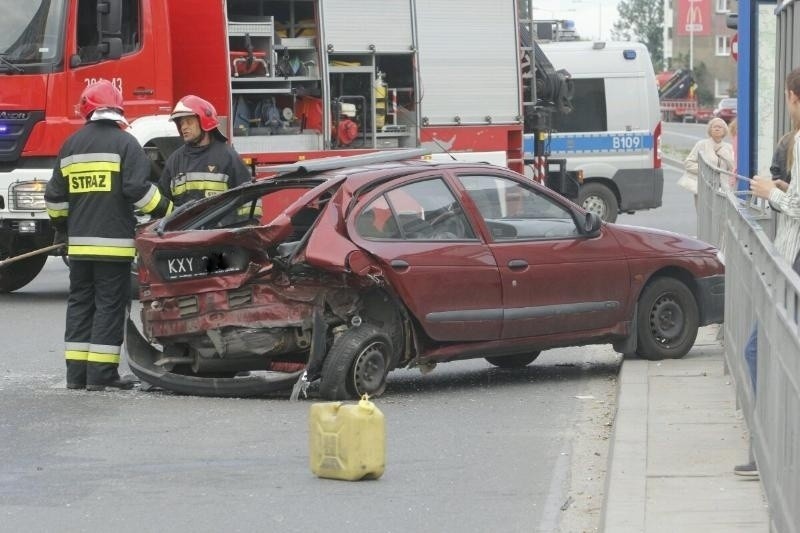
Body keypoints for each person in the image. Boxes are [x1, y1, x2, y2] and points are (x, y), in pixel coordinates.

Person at [44, 80, 171, 391]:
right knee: (109, 306)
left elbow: (54, 199)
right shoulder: (126, 144)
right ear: (117, 109)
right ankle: (101, 376)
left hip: (80, 248)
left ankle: (76, 376)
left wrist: (63, 226)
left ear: (87, 110)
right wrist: (167, 209)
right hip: (113, 247)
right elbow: (137, 192)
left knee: (80, 305)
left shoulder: (70, 145)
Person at [737, 67, 800, 477]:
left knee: (762, 350)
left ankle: (775, 450)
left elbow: (796, 207)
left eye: (787, 97)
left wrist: (769, 192)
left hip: (793, 263)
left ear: (795, 97)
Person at [159, 95, 254, 209]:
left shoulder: (228, 157)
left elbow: (248, 202)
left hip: (220, 227)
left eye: (189, 122)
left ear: (204, 121)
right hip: (185, 226)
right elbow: (164, 201)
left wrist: (247, 225)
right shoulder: (175, 160)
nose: (183, 127)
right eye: (181, 123)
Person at [679, 117, 736, 205]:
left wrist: (724, 154)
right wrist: (705, 171)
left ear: (724, 131)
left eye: (720, 127)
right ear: (710, 129)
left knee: (720, 216)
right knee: (704, 216)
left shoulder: (728, 147)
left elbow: (732, 167)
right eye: (714, 127)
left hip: (722, 189)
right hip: (703, 188)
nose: (717, 129)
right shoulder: (702, 144)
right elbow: (688, 163)